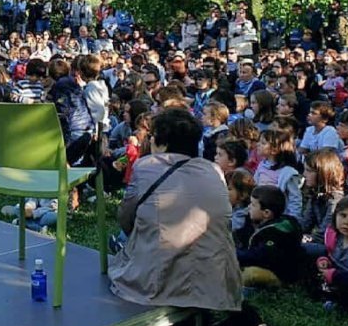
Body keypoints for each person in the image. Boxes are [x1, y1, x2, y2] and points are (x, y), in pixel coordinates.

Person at [108, 108, 242, 311]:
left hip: (157, 279)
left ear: (161, 142)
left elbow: (126, 219)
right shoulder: (213, 170)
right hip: (215, 278)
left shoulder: (145, 167)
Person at [236, 185, 302, 287]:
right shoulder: (254, 221)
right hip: (258, 264)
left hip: (278, 274)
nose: (249, 207)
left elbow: (259, 256)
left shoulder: (277, 232)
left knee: (249, 274)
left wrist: (234, 254)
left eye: (253, 205)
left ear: (266, 213)